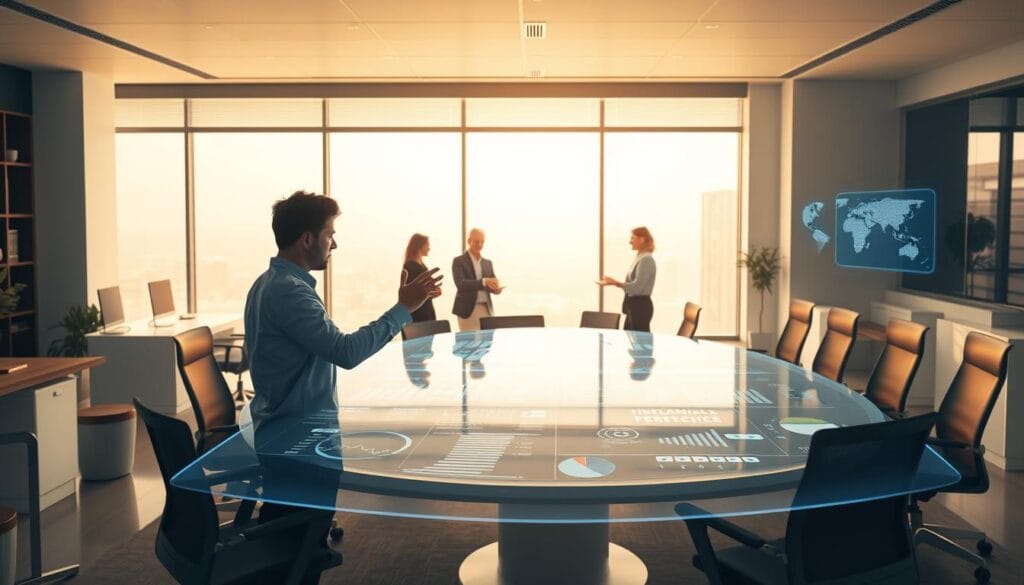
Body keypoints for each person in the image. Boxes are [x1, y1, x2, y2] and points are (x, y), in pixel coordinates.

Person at [244, 190, 442, 432]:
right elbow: (345, 352)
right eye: (329, 235)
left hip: (287, 426)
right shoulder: (290, 292)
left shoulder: (266, 282)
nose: (334, 244)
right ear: (307, 239)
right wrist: (404, 308)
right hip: (297, 433)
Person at [599, 226, 656, 332]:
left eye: (633, 238)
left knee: (640, 345)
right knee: (630, 342)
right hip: (634, 306)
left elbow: (637, 288)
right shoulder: (640, 257)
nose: (630, 242)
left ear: (642, 239)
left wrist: (615, 283)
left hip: (640, 307)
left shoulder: (646, 260)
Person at [452, 228, 502, 331]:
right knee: (469, 345)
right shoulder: (459, 261)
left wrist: (496, 289)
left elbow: (490, 285)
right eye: (476, 241)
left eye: (482, 242)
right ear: (469, 241)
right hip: (467, 311)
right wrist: (484, 282)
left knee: (487, 344)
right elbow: (461, 284)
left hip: (486, 309)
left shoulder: (488, 263)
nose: (479, 245)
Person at [402, 233, 437, 323]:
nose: (429, 248)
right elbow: (416, 292)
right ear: (420, 246)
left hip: (425, 310)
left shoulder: (420, 265)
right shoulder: (411, 266)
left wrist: (434, 291)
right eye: (427, 245)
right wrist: (433, 292)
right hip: (419, 313)